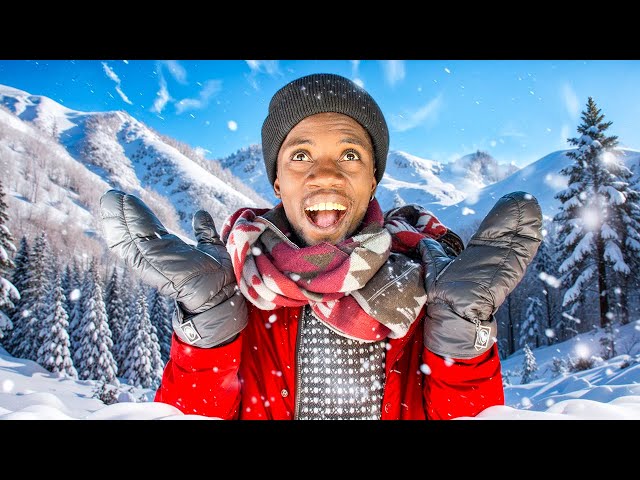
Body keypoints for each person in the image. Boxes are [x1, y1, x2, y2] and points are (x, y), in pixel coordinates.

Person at [100, 73, 542, 420]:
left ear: (373, 179)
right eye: (300, 155)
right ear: (277, 180)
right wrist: (210, 327)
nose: (325, 174)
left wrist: (459, 337)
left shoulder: (427, 286)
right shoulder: (238, 288)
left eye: (350, 155)